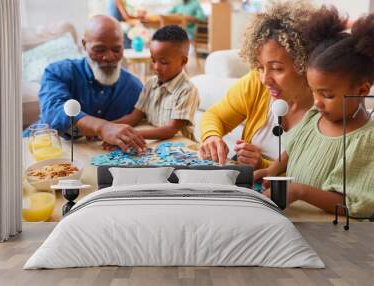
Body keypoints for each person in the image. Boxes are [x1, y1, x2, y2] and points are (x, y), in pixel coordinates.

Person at [254, 7, 374, 217]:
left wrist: (300, 191)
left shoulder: (366, 140)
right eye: (313, 92)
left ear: (362, 91)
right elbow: (294, 147)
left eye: (326, 95)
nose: (317, 102)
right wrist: (272, 169)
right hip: (293, 219)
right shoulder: (314, 117)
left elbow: (356, 203)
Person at [199, 0, 315, 167]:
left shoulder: (325, 107)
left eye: (276, 68)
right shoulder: (256, 83)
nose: (264, 80)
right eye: (260, 67)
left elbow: (313, 179)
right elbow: (214, 115)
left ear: (304, 64)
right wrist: (211, 137)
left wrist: (263, 164)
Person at [34, 15, 146, 153]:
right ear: (84, 44)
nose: (109, 57)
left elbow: (140, 117)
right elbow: (53, 112)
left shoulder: (134, 87)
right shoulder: (58, 72)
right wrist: (102, 127)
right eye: (99, 49)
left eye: (116, 49)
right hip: (43, 149)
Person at [114, 25, 199, 141]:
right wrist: (107, 127)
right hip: (155, 143)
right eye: (153, 60)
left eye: (163, 62)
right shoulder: (150, 84)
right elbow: (134, 117)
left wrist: (130, 135)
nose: (156, 67)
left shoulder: (187, 90)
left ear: (183, 61)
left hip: (179, 148)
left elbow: (170, 130)